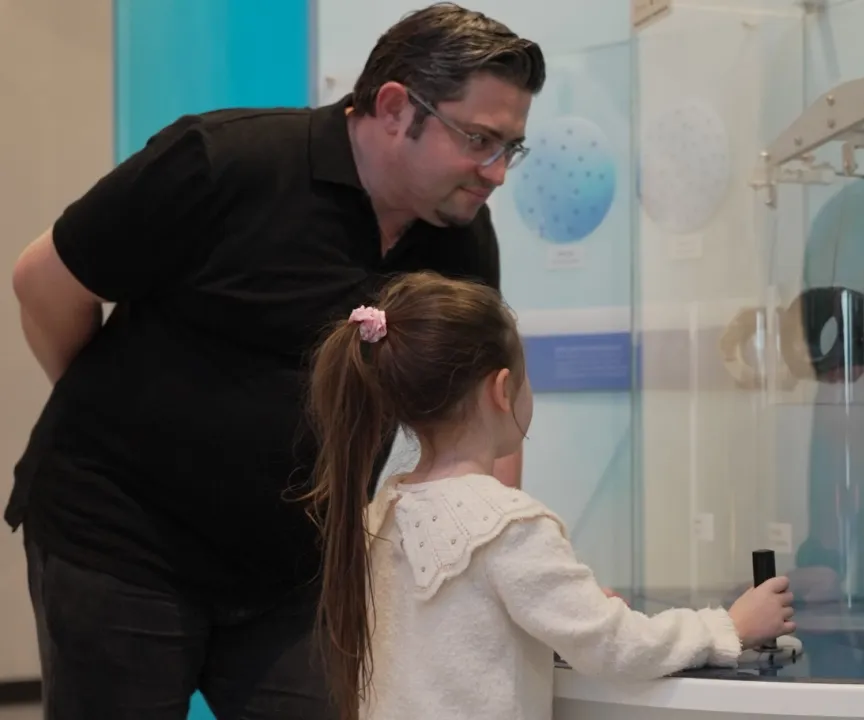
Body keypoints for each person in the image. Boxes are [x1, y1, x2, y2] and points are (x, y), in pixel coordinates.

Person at [5, 4, 543, 718]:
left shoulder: (460, 238)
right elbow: (44, 281)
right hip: (120, 537)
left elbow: (483, 407)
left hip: (297, 569)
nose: (496, 172)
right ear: (394, 108)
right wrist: (107, 411)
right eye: (478, 139)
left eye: (510, 147)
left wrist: (507, 561)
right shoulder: (224, 161)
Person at [305, 272, 797, 720]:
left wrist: (567, 610)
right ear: (502, 390)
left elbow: (461, 639)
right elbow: (614, 644)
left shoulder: (381, 513)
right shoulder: (507, 526)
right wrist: (728, 627)